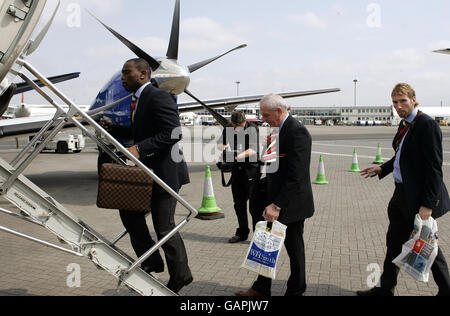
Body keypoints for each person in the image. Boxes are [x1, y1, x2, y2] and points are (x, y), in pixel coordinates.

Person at [101, 58, 192, 293]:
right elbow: (141, 130)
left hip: (164, 174)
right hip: (147, 174)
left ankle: (181, 275)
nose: (122, 77)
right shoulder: (138, 99)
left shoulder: (157, 96)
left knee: (165, 228)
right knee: (129, 215)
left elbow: (173, 133)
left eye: (126, 73)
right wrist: (115, 129)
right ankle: (151, 260)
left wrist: (139, 149)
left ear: (142, 74)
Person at [358, 83, 450, 296]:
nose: (398, 106)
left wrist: (427, 204)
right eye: (395, 102)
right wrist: (383, 168)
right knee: (394, 242)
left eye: (403, 101)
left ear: (414, 99)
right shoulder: (405, 124)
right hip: (401, 194)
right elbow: (401, 156)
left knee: (426, 245)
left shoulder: (426, 124)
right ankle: (386, 288)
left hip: (418, 198)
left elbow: (434, 168)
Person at [236, 94, 315, 296]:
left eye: (266, 114)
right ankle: (261, 287)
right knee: (264, 245)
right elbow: (271, 165)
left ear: (279, 111)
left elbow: (297, 175)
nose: (263, 119)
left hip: (290, 203)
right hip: (271, 197)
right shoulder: (276, 130)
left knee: (294, 249)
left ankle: (296, 290)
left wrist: (277, 205)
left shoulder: (297, 132)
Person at [217, 111, 260, 243]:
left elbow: (253, 149)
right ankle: (242, 233)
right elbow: (220, 144)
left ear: (245, 121)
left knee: (254, 206)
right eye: (236, 126)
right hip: (237, 171)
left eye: (240, 125)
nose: (238, 128)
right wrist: (224, 150)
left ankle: (258, 237)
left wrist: (236, 156)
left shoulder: (252, 129)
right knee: (239, 204)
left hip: (251, 170)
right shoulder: (229, 128)